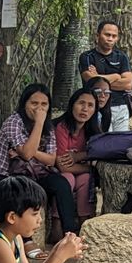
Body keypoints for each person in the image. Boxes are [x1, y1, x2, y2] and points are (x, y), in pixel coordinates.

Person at [0, 83, 82, 237]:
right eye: (34, 103)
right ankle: (27, 241)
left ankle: (70, 234)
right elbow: (26, 155)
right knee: (23, 191)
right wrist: (38, 123)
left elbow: (51, 160)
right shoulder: (14, 122)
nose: (39, 109)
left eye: (44, 104)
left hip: (34, 175)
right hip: (4, 176)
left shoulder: (48, 127)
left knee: (61, 184)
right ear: (24, 104)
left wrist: (31, 151)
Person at [49, 88, 101, 221]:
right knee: (67, 178)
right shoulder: (61, 127)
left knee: (86, 179)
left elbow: (98, 157)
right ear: (72, 104)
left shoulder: (93, 131)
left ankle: (85, 223)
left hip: (79, 174)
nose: (85, 109)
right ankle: (57, 222)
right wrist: (90, 168)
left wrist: (80, 157)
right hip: (55, 174)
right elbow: (63, 166)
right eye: (81, 103)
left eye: (90, 105)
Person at [78, 21, 132, 132]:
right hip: (98, 106)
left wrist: (98, 77)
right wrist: (116, 76)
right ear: (98, 35)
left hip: (120, 106)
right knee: (104, 142)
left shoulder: (121, 57)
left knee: (121, 142)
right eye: (107, 35)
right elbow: (90, 80)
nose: (110, 39)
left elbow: (128, 84)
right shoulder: (87, 57)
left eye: (114, 36)